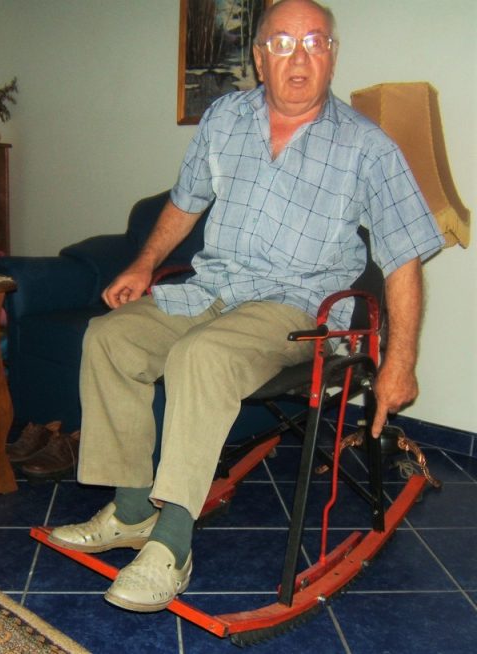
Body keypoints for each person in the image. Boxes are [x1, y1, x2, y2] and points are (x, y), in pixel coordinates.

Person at [48, 0, 445, 613]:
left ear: (332, 55)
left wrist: (401, 361)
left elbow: (403, 259)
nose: (298, 57)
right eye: (282, 43)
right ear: (259, 58)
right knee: (110, 337)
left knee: (201, 355)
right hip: (214, 287)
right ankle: (131, 511)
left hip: (296, 305)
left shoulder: (368, 147)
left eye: (314, 42)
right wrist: (144, 264)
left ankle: (171, 545)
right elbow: (186, 201)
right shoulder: (225, 118)